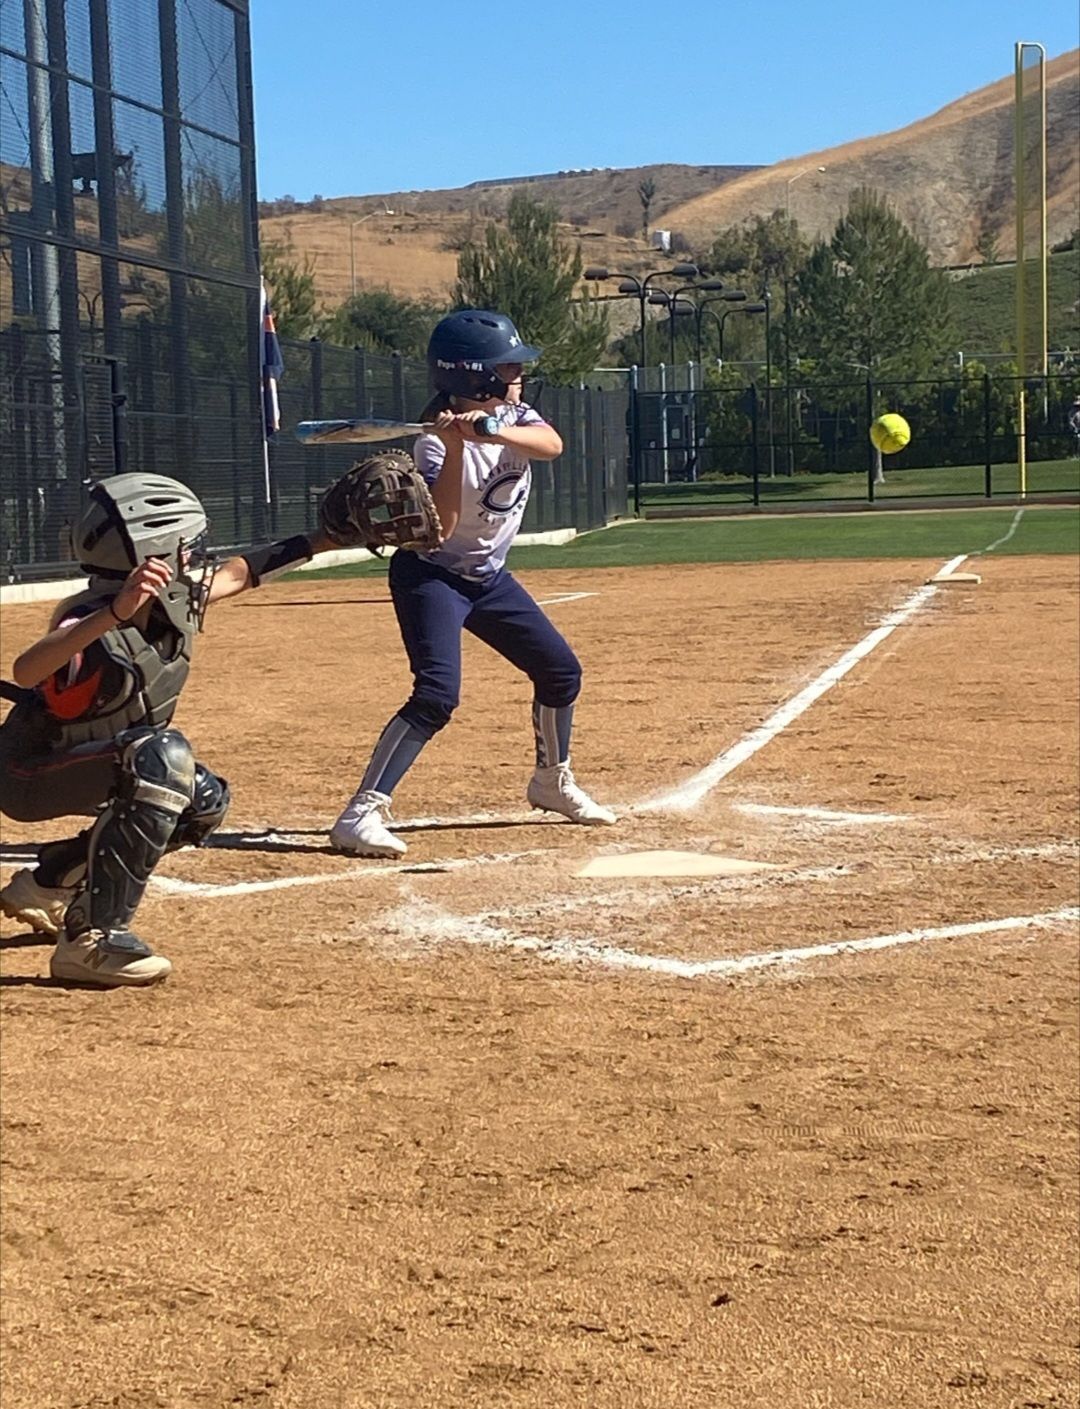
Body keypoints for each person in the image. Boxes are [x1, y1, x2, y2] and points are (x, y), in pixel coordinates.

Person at [0, 472, 334, 987]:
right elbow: (28, 670)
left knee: (204, 803)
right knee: (163, 758)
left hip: (98, 757)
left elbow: (241, 573)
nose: (194, 555)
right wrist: (114, 613)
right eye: (184, 545)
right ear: (152, 554)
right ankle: (91, 941)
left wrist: (323, 538)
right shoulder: (88, 621)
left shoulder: (174, 600)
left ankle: (51, 880)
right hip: (31, 772)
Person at [330, 308, 616, 857]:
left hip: (488, 579)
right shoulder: (433, 445)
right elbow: (442, 531)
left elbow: (551, 445)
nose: (519, 377)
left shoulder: (517, 412)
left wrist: (491, 428)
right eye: (508, 368)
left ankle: (550, 782)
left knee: (560, 672)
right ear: (475, 376)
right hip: (432, 578)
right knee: (437, 694)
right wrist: (459, 444)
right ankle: (360, 813)